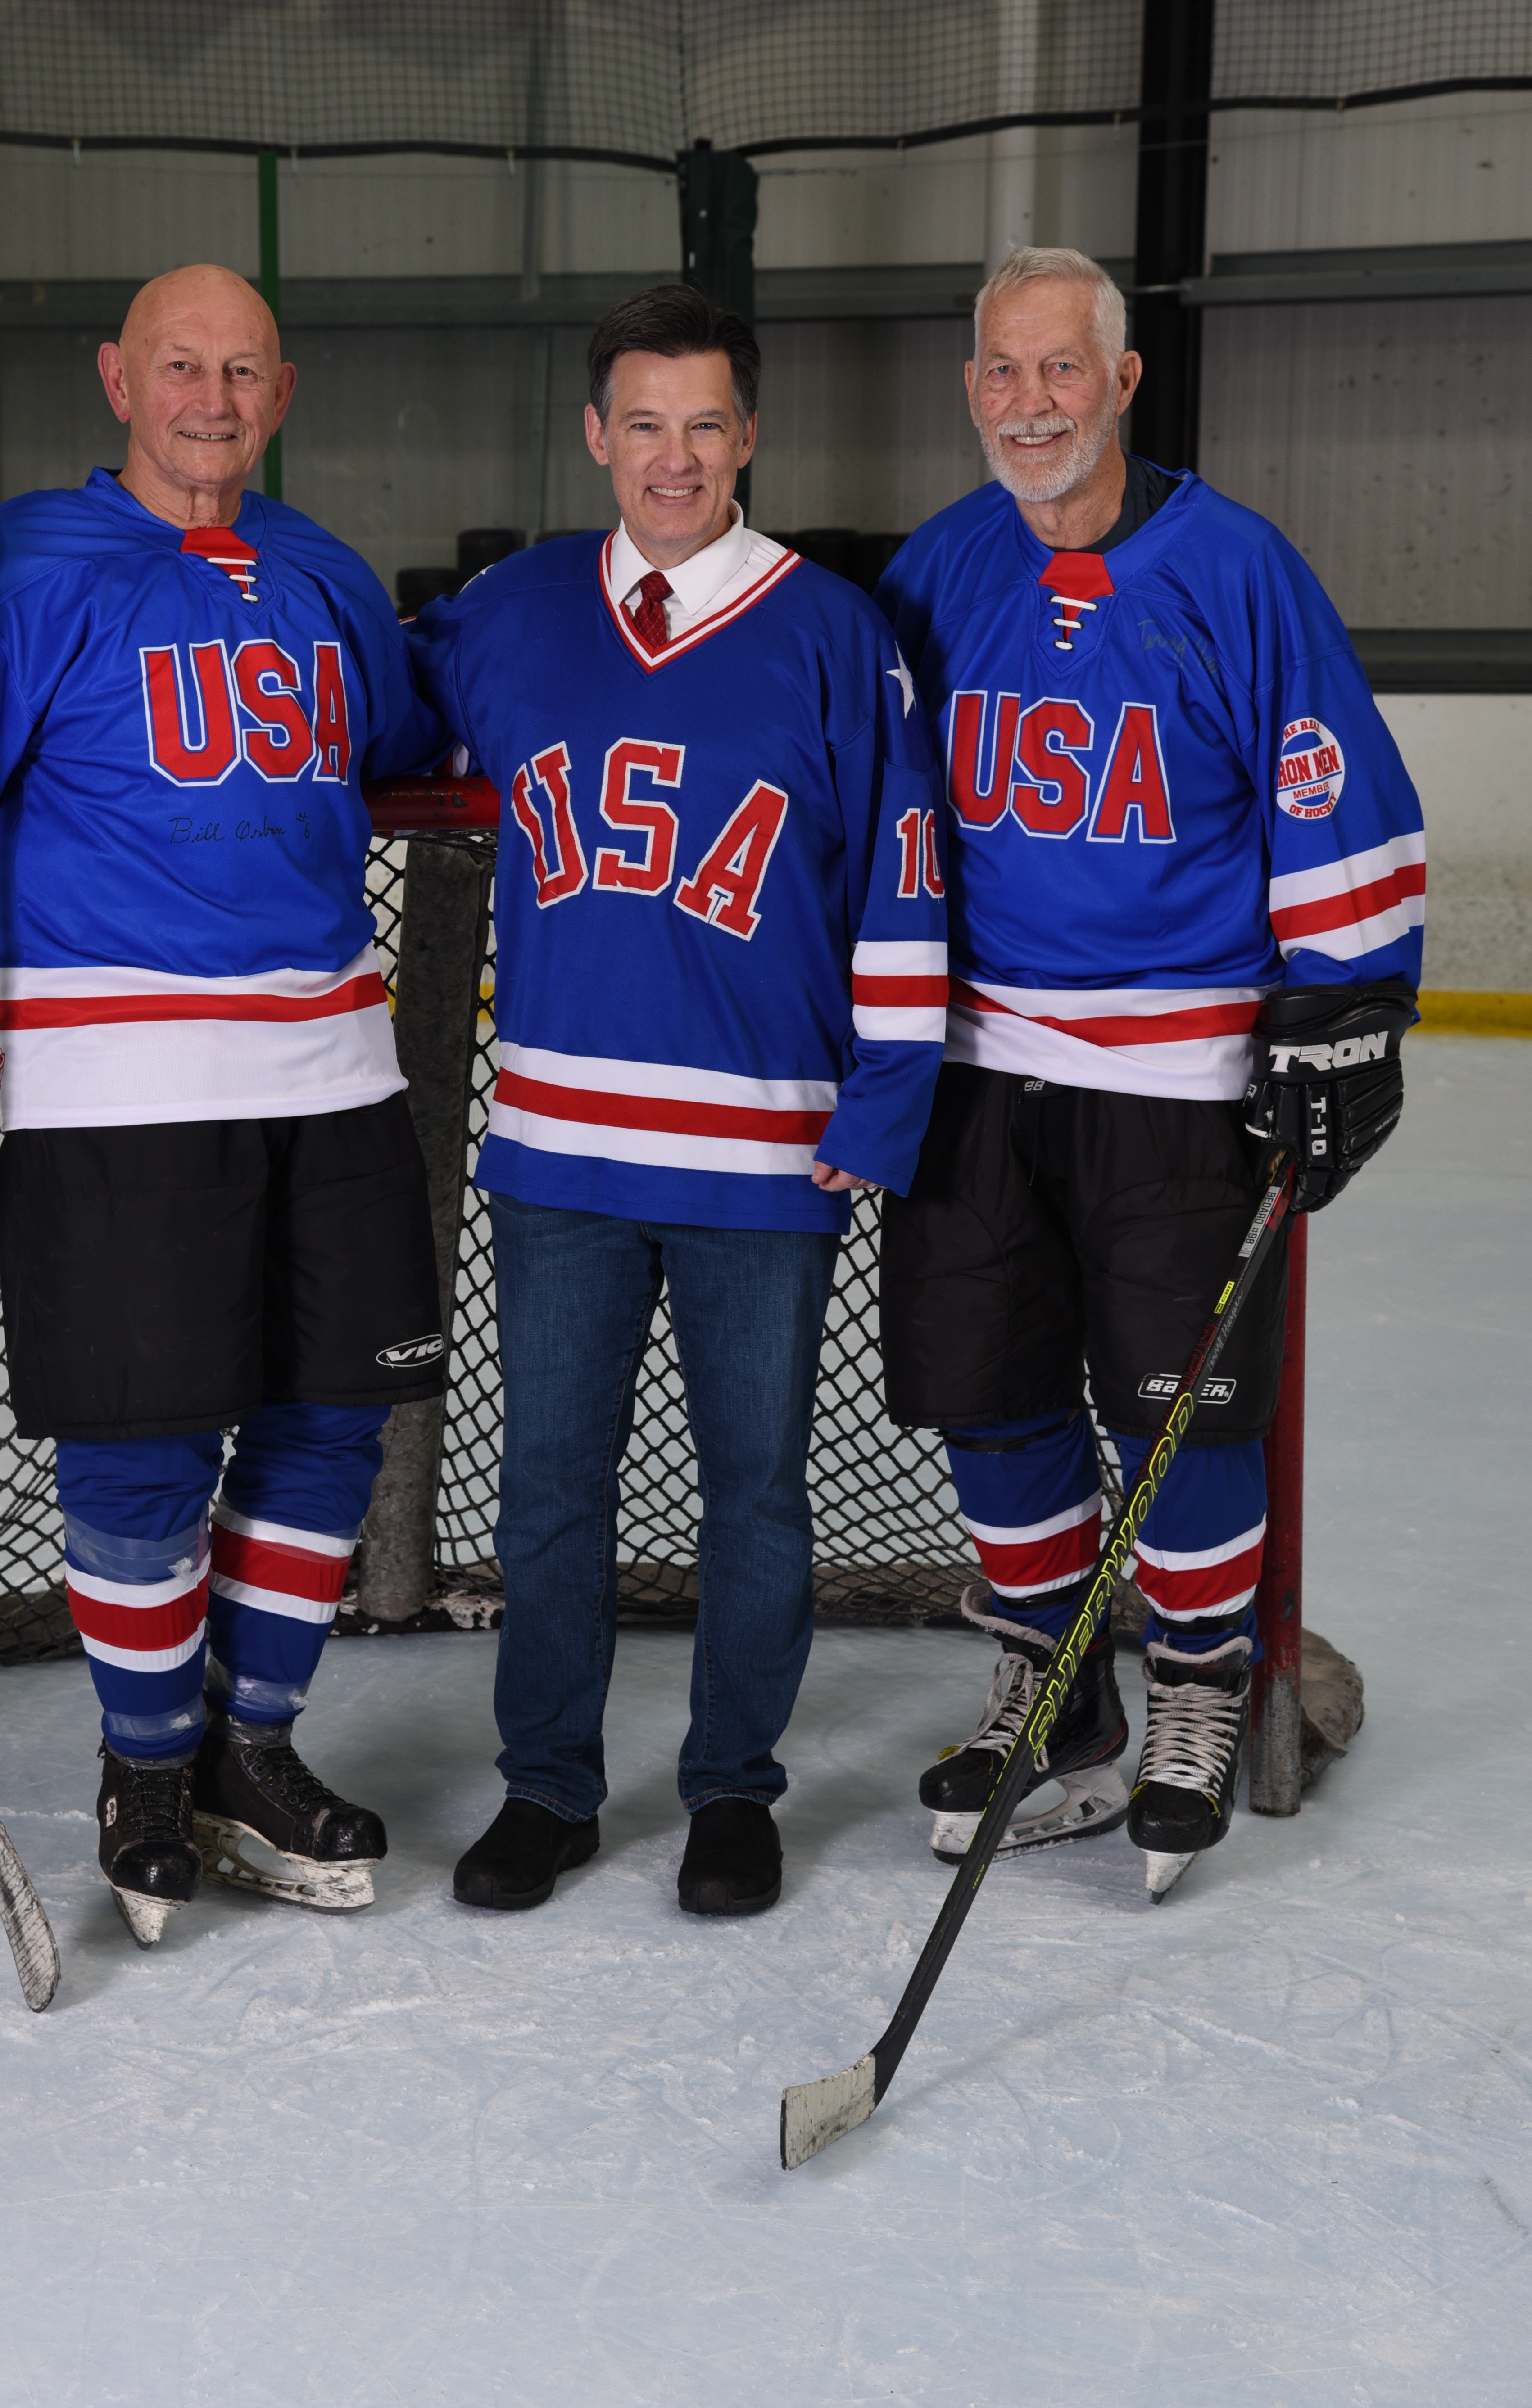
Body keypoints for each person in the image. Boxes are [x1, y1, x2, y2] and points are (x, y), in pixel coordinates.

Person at [0, 265, 449, 1945]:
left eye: (239, 370)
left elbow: (410, 731)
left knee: (325, 1432)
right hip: (124, 1100)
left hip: (338, 1084)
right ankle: (146, 1764)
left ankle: (254, 1751)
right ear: (116, 381)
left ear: (280, 392)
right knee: (141, 1454)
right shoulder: (22, 563)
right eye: (178, 367)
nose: (210, 398)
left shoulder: (325, 577)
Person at [875, 247, 1423, 1895]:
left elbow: (1333, 794)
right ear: (971, 389)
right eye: (998, 373)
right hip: (977, 1071)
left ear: (1122, 382)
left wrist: (1348, 1005)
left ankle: (1193, 1685)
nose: (1027, 403)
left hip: (1180, 1082)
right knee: (989, 1392)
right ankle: (1056, 1692)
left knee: (1184, 1413)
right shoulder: (938, 569)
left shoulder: (1239, 569)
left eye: (1059, 371)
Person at [408, 284, 947, 1918]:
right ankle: (546, 1789)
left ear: (750, 435)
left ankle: (730, 1791)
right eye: (643, 422)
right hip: (560, 1150)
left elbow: (905, 878)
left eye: (706, 422)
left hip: (763, 1145)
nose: (674, 455)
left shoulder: (836, 632)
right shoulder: (507, 612)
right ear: (596, 434)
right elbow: (347, 723)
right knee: (550, 1486)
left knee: (757, 1490)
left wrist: (886, 1094)